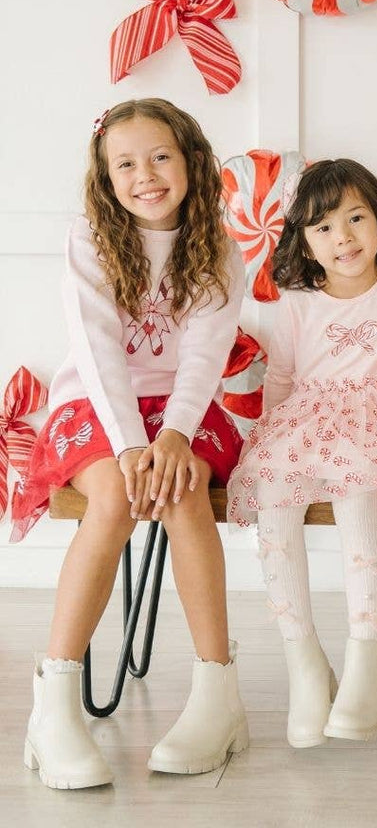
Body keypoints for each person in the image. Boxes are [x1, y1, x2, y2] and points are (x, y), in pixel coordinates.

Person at [20, 99, 247, 788]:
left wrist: (174, 435)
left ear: (190, 161)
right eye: (126, 164)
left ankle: (217, 695)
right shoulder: (90, 239)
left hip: (186, 403)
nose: (145, 175)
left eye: (160, 157)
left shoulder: (220, 245)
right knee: (118, 493)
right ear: (105, 175)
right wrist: (128, 445)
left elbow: (206, 357)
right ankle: (53, 705)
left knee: (181, 491)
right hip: (97, 400)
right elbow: (98, 353)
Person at [227, 159, 377, 747]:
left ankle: (366, 656)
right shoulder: (295, 301)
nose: (342, 238)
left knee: (357, 502)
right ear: (304, 241)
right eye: (322, 228)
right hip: (306, 420)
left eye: (356, 219)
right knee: (276, 507)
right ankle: (304, 660)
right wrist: (270, 442)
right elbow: (284, 380)